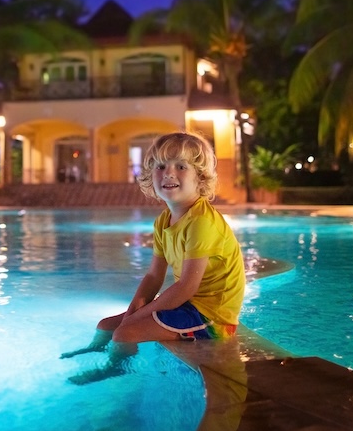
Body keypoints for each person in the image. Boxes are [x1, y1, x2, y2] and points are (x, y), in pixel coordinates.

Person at [63, 131, 245, 384]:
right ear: (151, 175)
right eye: (161, 166)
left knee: (125, 333)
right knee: (107, 325)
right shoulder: (163, 221)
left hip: (212, 316)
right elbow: (153, 275)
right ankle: (97, 350)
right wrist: (133, 309)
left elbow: (186, 286)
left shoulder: (202, 221)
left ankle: (119, 370)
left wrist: (138, 317)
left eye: (181, 166)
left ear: (200, 177)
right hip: (190, 304)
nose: (169, 173)